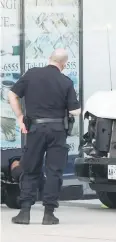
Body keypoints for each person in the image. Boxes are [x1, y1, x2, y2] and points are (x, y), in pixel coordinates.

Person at [7, 48, 81, 225]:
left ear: (49, 59)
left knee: (30, 169)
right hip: (57, 130)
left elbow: (12, 94)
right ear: (64, 64)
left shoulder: (32, 74)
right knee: (54, 171)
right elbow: (75, 111)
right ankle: (49, 213)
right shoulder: (66, 81)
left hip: (35, 129)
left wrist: (19, 117)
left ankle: (24, 212)